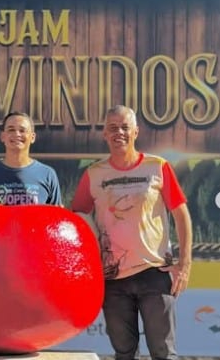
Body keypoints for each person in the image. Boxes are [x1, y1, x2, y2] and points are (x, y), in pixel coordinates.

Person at [71, 105, 192, 360]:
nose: (119, 133)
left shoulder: (157, 166)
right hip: (113, 279)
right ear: (104, 134)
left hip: (155, 274)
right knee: (124, 353)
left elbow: (182, 215)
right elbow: (77, 221)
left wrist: (185, 264)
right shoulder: (93, 174)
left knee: (163, 353)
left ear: (136, 132)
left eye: (125, 127)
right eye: (113, 128)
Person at [0, 111, 62, 205]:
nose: (17, 134)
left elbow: (57, 217)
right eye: (11, 130)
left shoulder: (47, 175)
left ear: (32, 137)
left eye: (22, 130)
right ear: (2, 136)